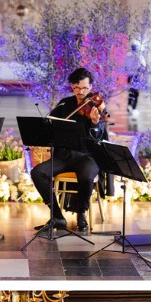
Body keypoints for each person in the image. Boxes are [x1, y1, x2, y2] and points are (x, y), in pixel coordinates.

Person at [31, 67, 105, 233]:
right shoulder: (65, 104)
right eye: (77, 88)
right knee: (38, 173)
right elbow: (50, 122)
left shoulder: (95, 107)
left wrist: (94, 123)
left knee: (86, 176)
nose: (80, 92)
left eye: (85, 88)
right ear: (72, 86)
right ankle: (57, 216)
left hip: (88, 157)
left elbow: (99, 137)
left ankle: (81, 213)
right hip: (65, 156)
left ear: (91, 87)